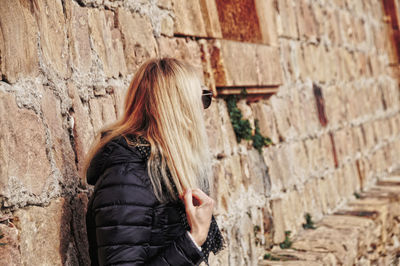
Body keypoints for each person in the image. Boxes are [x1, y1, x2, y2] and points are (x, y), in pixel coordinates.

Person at [84, 58, 225, 266]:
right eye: (202, 100)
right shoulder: (128, 178)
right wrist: (193, 241)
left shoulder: (163, 168)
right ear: (182, 112)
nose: (202, 112)